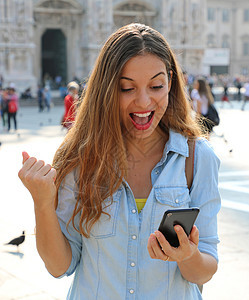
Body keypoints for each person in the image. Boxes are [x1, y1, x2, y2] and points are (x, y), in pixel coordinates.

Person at [18, 23, 221, 300]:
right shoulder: (80, 157)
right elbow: (59, 266)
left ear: (171, 82)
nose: (143, 101)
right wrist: (42, 203)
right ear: (106, 89)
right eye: (127, 88)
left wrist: (188, 255)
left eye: (156, 86)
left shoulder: (197, 158)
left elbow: (204, 271)